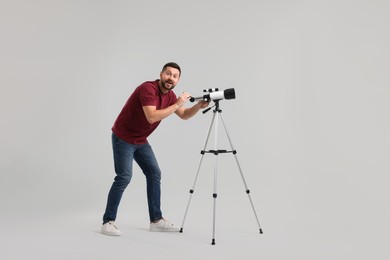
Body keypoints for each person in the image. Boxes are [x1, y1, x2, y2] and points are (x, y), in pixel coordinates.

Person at [101, 62, 209, 236]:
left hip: (140, 140)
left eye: (175, 76)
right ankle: (107, 221)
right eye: (168, 74)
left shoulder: (171, 96)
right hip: (123, 138)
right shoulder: (147, 89)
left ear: (178, 80)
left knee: (154, 173)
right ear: (161, 74)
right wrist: (178, 103)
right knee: (124, 177)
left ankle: (156, 220)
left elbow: (183, 115)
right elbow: (151, 117)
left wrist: (197, 106)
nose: (170, 78)